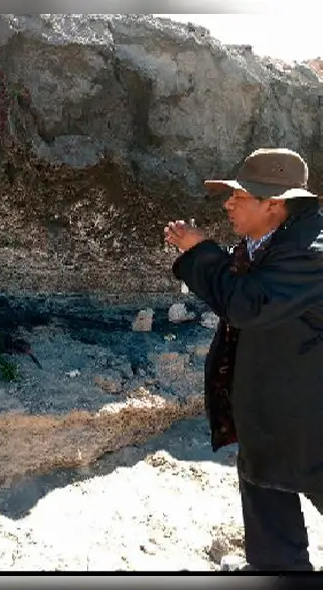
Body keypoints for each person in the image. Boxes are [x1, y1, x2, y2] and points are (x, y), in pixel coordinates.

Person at [165, 147, 323, 571]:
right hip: (272, 411)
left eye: (240, 196)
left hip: (312, 418)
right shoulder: (267, 242)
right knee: (268, 512)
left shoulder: (313, 252)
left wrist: (200, 252)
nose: (228, 204)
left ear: (274, 205)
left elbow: (248, 305)